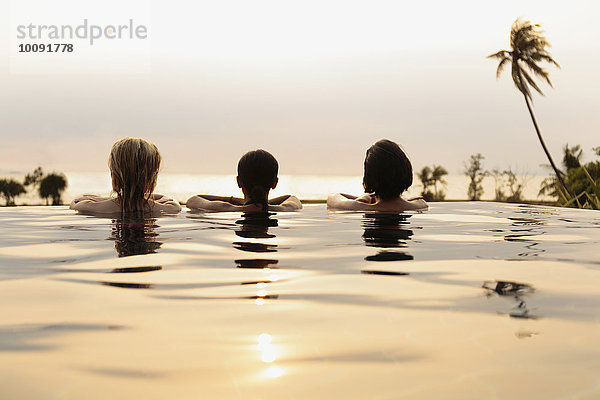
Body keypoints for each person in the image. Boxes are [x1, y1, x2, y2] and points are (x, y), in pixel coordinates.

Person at [70, 138, 181, 215]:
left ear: (115, 173)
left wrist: (104, 199)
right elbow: (171, 200)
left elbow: (75, 203)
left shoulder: (91, 207)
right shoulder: (168, 208)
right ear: (152, 175)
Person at [327, 139, 428, 212]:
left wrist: (365, 198)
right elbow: (420, 201)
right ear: (406, 171)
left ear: (369, 177)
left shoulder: (360, 207)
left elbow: (333, 198)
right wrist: (405, 201)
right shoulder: (418, 205)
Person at [186, 149, 302, 212]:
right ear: (275, 183)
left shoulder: (226, 209)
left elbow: (193, 200)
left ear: (239, 182)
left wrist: (236, 201)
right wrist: (262, 202)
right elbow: (292, 198)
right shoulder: (286, 209)